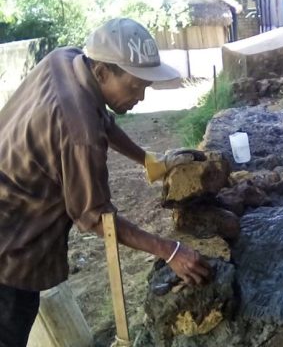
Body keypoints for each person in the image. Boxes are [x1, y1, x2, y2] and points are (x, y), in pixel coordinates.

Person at [0, 18, 212, 347]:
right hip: (9, 247)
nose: (141, 96)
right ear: (102, 73)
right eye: (135, 86)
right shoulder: (79, 133)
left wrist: (148, 159)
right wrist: (169, 250)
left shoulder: (67, 59)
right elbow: (96, 217)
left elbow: (103, 119)